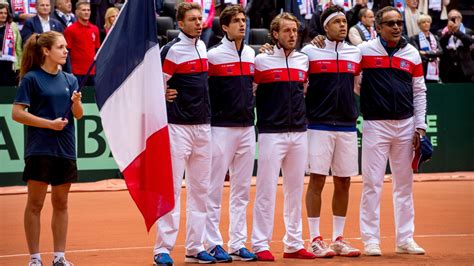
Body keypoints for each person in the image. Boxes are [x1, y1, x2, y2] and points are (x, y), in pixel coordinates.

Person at [358, 6, 427, 256]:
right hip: (376, 125)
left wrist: (420, 126)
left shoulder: (412, 54)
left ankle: (405, 239)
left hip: (406, 126)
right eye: (390, 23)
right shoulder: (363, 51)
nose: (397, 26)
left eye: (399, 22)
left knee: (404, 185)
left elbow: (419, 91)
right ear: (378, 27)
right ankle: (371, 240)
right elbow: (355, 83)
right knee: (372, 184)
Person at [12, 30, 83, 266]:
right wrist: (49, 124)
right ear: (46, 51)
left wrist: (77, 103)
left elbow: (78, 116)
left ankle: (59, 257)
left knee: (61, 203)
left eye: (65, 47)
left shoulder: (70, 79)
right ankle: (34, 259)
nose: (65, 51)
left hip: (65, 149)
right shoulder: (31, 79)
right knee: (35, 204)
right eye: (61, 47)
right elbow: (17, 114)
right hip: (40, 149)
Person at [153, 2, 215, 265]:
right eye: (192, 19)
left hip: (204, 127)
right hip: (178, 127)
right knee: (172, 189)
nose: (198, 23)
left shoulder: (202, 47)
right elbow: (155, 85)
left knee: (201, 189)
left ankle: (194, 246)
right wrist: (163, 93)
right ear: (180, 23)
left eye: (200, 19)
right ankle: (162, 249)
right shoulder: (171, 50)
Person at [251, 12, 315, 262]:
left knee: (295, 191)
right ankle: (259, 243)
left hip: (299, 133)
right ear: (275, 34)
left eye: (295, 31)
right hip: (271, 134)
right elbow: (250, 91)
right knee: (266, 190)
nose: (292, 35)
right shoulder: (261, 61)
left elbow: (305, 91)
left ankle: (294, 243)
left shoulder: (303, 61)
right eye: (287, 31)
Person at [301, 5, 362, 259]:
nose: (343, 25)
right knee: (316, 180)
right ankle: (315, 238)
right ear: (325, 27)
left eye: (345, 22)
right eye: (337, 22)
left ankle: (338, 238)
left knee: (344, 181)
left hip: (347, 125)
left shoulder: (355, 53)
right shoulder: (309, 52)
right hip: (318, 125)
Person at [204, 4, 257, 262]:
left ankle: (237, 242)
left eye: (243, 20)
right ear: (225, 27)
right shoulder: (212, 56)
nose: (242, 24)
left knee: (242, 191)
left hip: (248, 128)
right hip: (220, 129)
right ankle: (212, 243)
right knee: (213, 189)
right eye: (236, 21)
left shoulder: (251, 54)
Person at [64, 1, 100, 86]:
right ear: (76, 12)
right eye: (83, 10)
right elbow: (67, 52)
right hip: (76, 72)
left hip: (92, 72)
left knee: (91, 97)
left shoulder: (95, 29)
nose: (86, 12)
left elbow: (97, 51)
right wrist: (69, 72)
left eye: (88, 10)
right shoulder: (70, 30)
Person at [438, 9, 474, 83]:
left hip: (464, 68)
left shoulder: (468, 31)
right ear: (448, 19)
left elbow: (469, 41)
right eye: (452, 18)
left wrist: (457, 31)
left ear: (460, 19)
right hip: (448, 68)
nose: (454, 20)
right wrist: (449, 32)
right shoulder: (442, 31)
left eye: (456, 17)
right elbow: (441, 44)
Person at [409, 14, 442, 83]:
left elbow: (440, 51)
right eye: (423, 22)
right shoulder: (414, 38)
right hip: (422, 67)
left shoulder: (435, 37)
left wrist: (426, 53)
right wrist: (432, 57)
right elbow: (417, 53)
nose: (426, 24)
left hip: (435, 66)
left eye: (428, 22)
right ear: (419, 25)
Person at [0, 2, 22, 85]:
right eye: (1, 13)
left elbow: (18, 48)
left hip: (11, 66)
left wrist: (20, 66)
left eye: (5, 13)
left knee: (9, 94)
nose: (3, 15)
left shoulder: (13, 26)